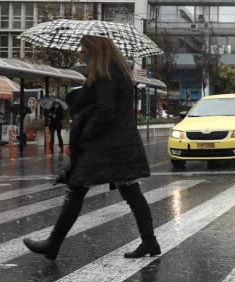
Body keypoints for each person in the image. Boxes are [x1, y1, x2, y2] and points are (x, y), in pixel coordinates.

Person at [23, 35, 160, 260]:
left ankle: (53, 244)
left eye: (86, 50)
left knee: (77, 188)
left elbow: (105, 110)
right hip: (118, 143)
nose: (83, 54)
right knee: (129, 191)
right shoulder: (118, 71)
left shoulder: (106, 73)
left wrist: (86, 134)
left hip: (105, 145)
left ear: (96, 50)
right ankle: (149, 241)